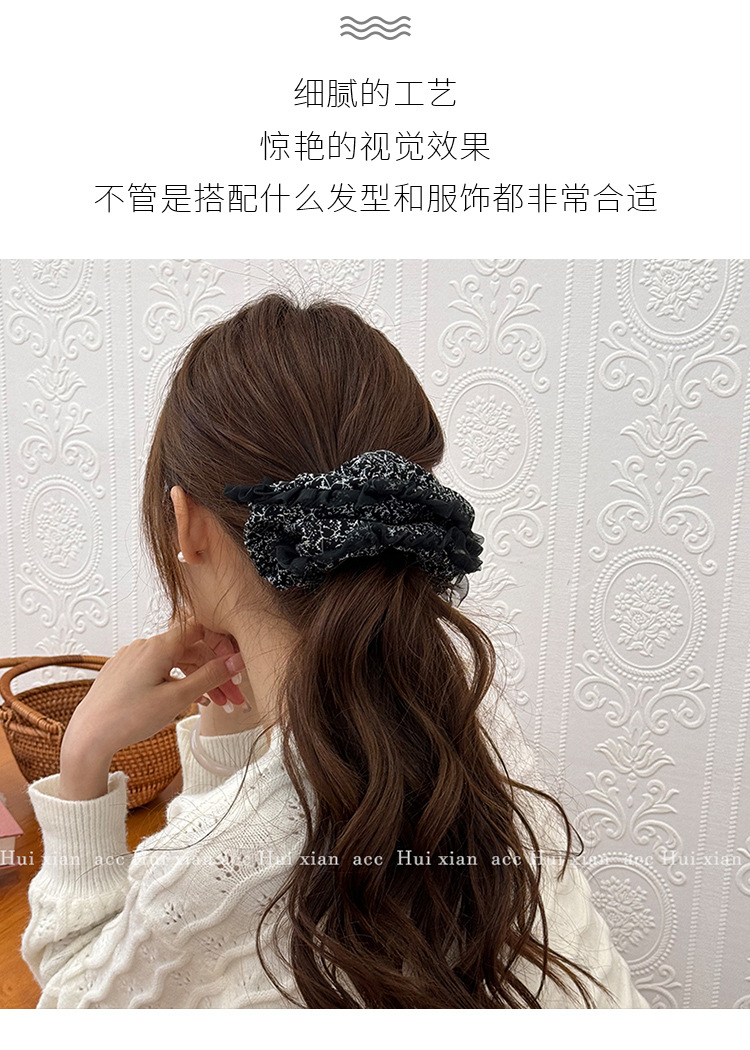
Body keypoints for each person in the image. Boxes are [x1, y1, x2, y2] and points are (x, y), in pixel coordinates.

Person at [20, 290, 649, 1009]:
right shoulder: (474, 729)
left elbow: (73, 1002)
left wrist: (83, 757)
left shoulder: (223, 862)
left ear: (185, 522)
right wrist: (229, 737)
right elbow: (226, 900)